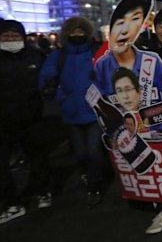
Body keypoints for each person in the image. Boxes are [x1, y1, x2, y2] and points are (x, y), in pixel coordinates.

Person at [93, 0, 162, 234]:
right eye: (121, 22)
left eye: (135, 21)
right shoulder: (103, 65)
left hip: (159, 129)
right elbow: (102, 103)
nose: (126, 29)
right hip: (127, 135)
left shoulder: (152, 61)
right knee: (146, 175)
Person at [38, 16, 104, 207]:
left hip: (94, 111)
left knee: (93, 151)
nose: (77, 34)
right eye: (73, 31)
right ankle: (86, 173)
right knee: (81, 153)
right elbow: (46, 78)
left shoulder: (95, 52)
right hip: (71, 112)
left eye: (81, 31)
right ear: (66, 34)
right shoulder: (59, 56)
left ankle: (95, 185)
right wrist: (57, 95)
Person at [0, 20, 52, 224]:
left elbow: (48, 81)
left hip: (31, 118)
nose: (10, 40)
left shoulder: (37, 57)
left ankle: (43, 190)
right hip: (2, 122)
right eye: (6, 36)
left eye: (14, 36)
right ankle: (12, 203)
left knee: (38, 158)